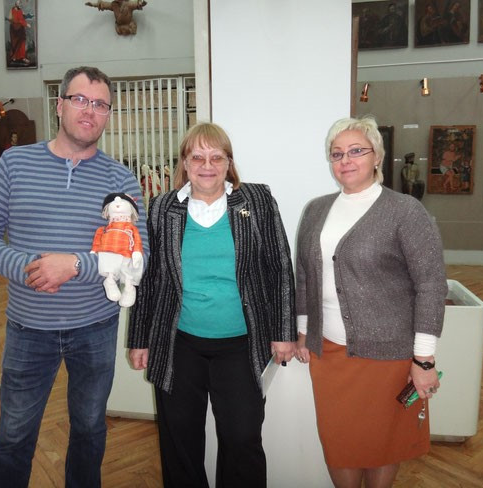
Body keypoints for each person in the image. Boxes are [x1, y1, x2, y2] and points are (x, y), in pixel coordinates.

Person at [0, 66, 149, 488]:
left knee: (89, 431)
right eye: (80, 99)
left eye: (100, 104)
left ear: (108, 114)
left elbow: (140, 254)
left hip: (95, 328)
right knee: (14, 437)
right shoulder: (15, 163)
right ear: (60, 104)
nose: (90, 111)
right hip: (28, 328)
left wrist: (75, 265)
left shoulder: (121, 179)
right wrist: (32, 268)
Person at [127, 122, 297, 487]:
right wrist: (140, 339)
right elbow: (149, 276)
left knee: (242, 439)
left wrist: (284, 332)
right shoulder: (163, 208)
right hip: (178, 343)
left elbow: (279, 266)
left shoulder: (256, 199)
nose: (207, 165)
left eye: (216, 157)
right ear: (185, 163)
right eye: (197, 157)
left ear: (228, 163)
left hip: (241, 343)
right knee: (180, 442)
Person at [295, 116, 447, 488]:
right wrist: (302, 331)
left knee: (383, 443)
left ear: (376, 156)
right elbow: (303, 276)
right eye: (337, 154)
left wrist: (423, 359)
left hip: (388, 355)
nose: (345, 160)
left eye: (356, 151)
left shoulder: (405, 211)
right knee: (338, 443)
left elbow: (430, 285)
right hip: (329, 353)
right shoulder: (316, 210)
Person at [8, 0, 30, 65]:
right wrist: (26, 24)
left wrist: (24, 16)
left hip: (19, 29)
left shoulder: (19, 10)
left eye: (20, 3)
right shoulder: (13, 10)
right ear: (15, 4)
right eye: (18, 3)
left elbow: (21, 19)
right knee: (16, 43)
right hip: (15, 29)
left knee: (20, 43)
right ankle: (15, 57)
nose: (20, 4)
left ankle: (21, 57)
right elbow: (16, 19)